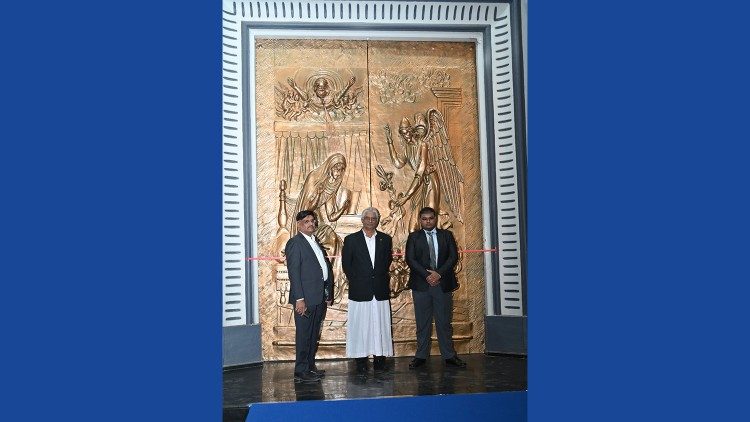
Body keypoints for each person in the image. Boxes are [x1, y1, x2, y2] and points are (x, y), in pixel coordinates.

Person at [405, 206, 466, 369]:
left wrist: (438, 274)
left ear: (435, 218)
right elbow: (410, 259)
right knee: (422, 323)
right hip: (421, 285)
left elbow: (453, 257)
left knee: (444, 322)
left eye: (430, 218)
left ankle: (449, 356)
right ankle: (420, 356)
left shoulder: (446, 235)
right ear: (420, 220)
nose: (428, 221)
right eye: (424, 219)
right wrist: (427, 275)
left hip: (442, 284)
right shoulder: (414, 237)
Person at [341, 207, 394, 375]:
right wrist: (358, 280)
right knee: (360, 326)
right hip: (360, 291)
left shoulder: (385, 239)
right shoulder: (351, 240)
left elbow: (386, 262)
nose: (370, 221)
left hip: (379, 290)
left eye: (374, 218)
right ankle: (361, 361)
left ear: (377, 221)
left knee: (380, 325)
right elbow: (347, 265)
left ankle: (380, 360)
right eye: (367, 218)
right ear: (362, 220)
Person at [285, 210, 334, 383]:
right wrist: (299, 299)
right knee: (304, 334)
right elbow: (294, 273)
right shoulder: (295, 243)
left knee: (313, 334)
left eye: (313, 221)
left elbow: (324, 270)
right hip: (305, 299)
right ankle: (300, 370)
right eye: (306, 221)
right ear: (298, 224)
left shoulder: (315, 242)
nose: (311, 224)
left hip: (319, 297)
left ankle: (310, 367)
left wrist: (328, 293)